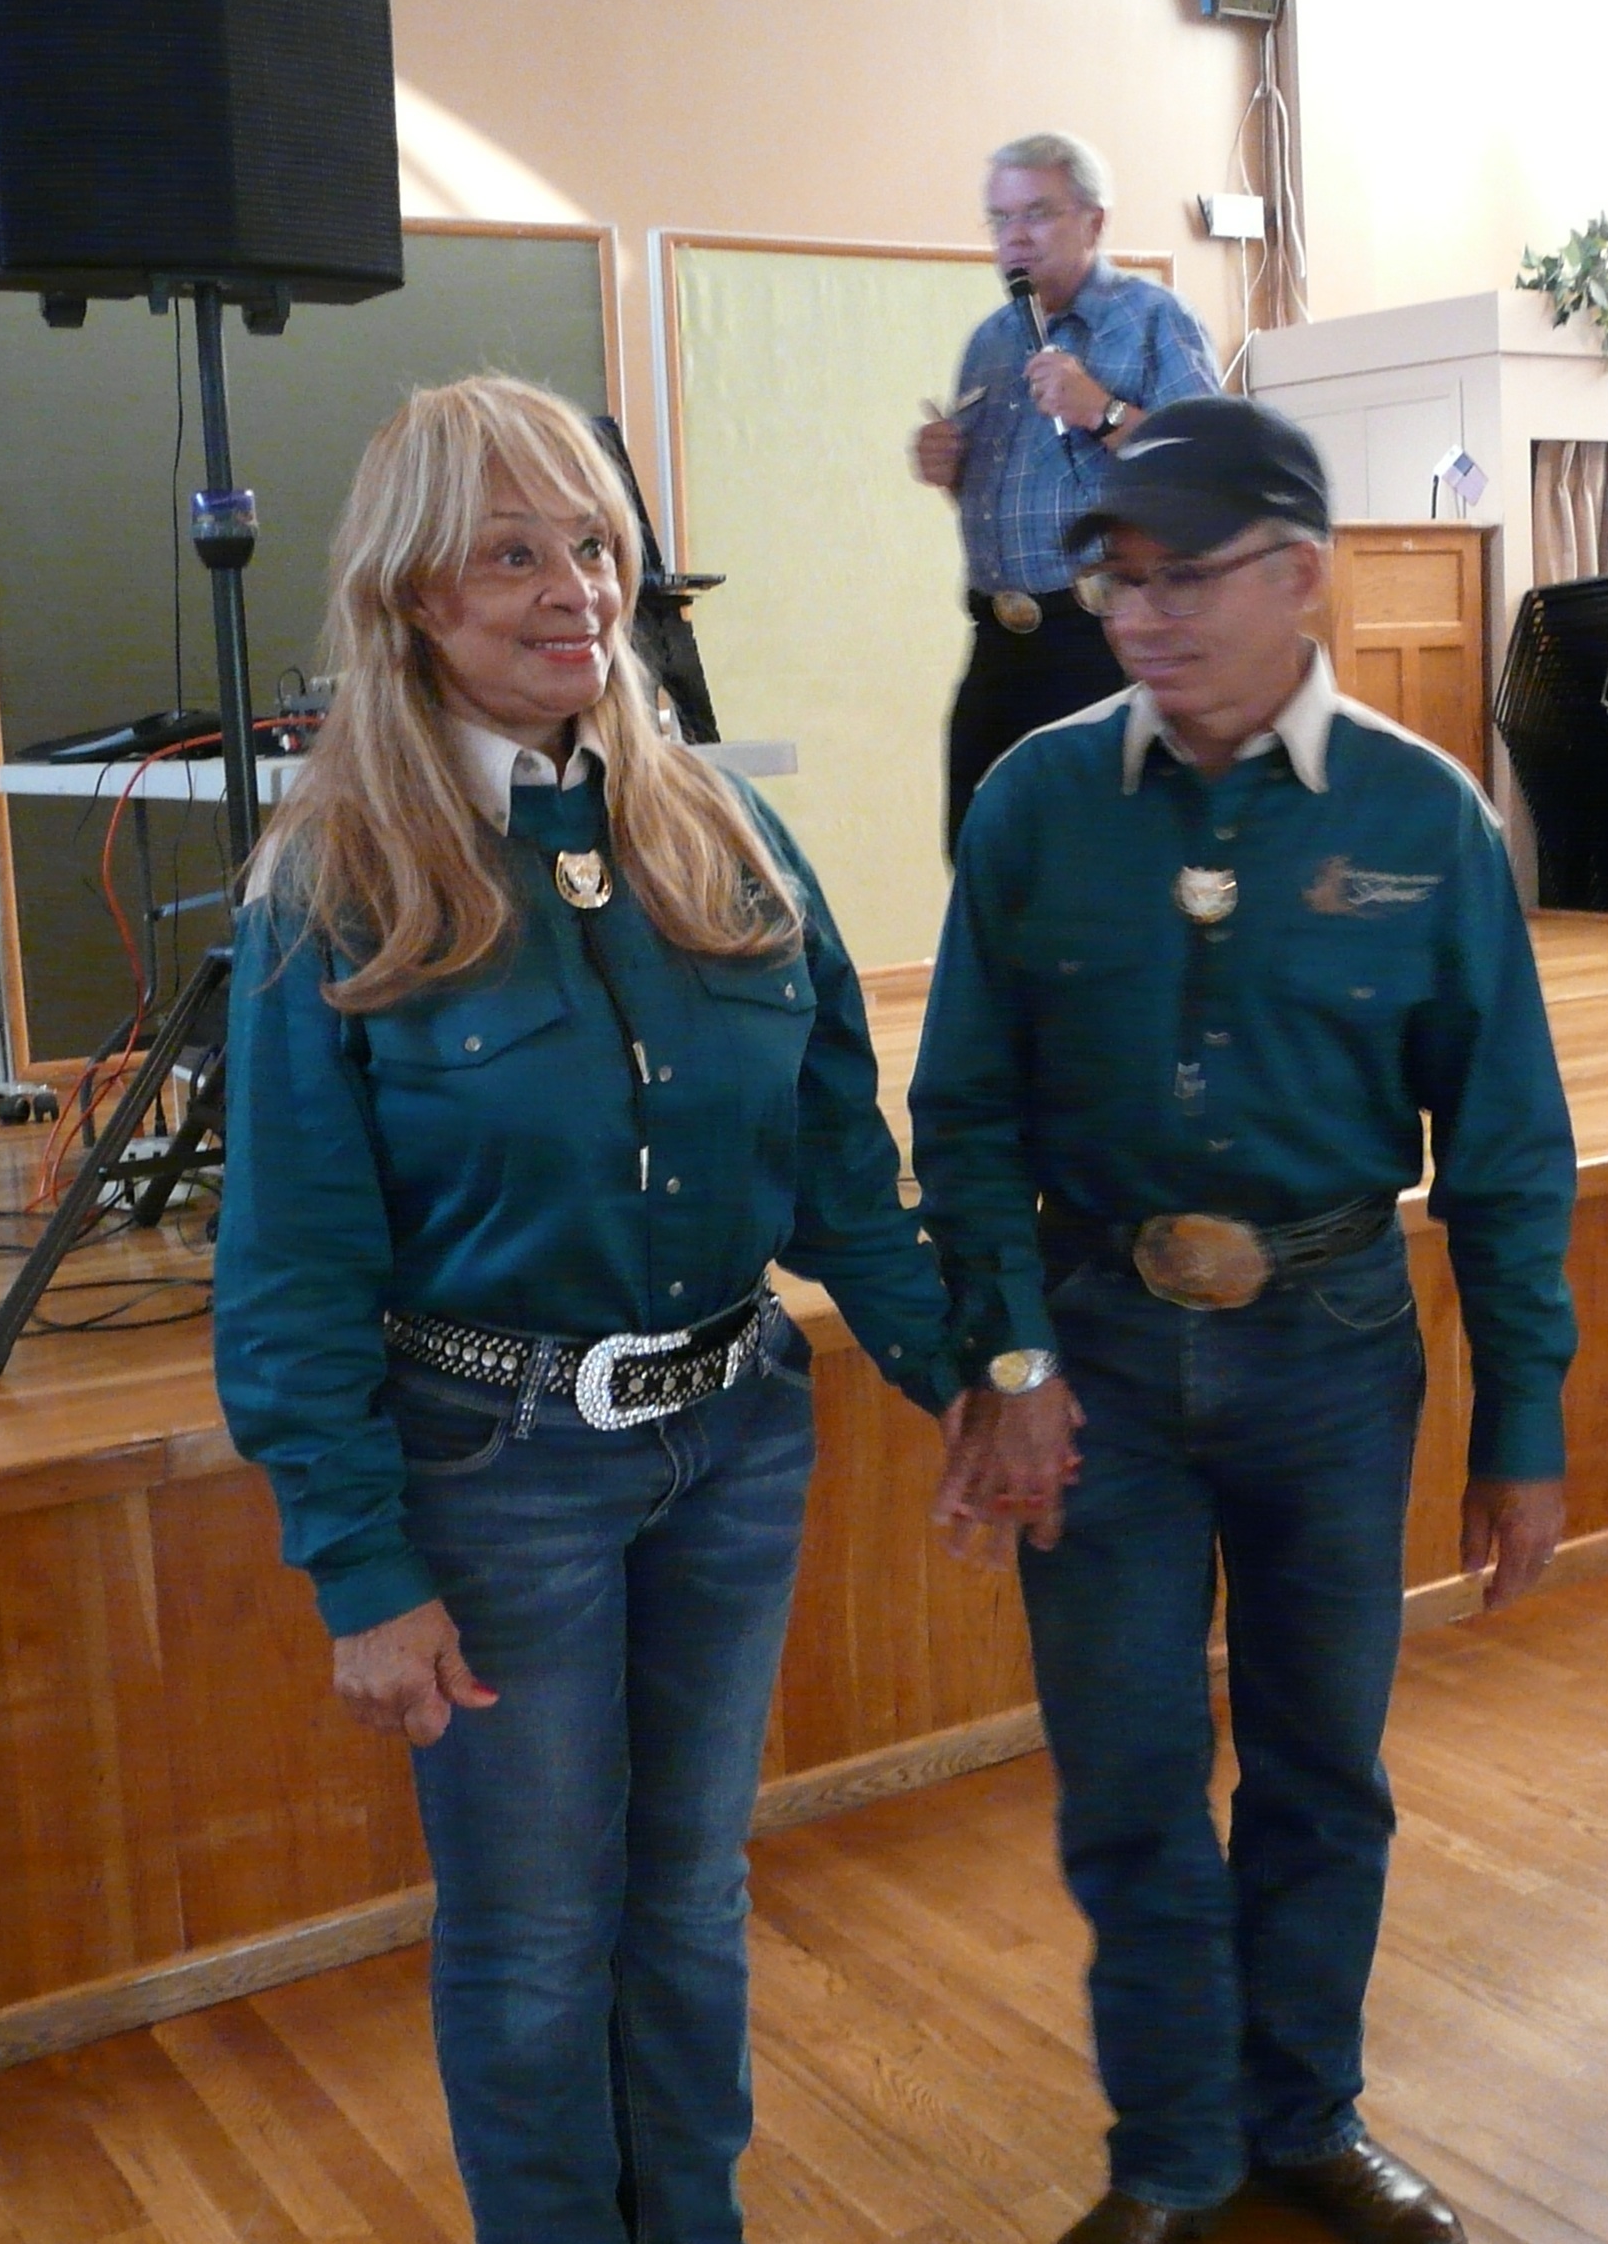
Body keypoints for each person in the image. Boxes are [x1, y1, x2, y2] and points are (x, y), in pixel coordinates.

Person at [211, 376, 964, 2244]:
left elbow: (835, 1165)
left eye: (598, 547)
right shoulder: (336, 880)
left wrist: (967, 1376)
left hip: (733, 1441)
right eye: (513, 554)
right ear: (414, 595)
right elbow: (291, 1269)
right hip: (495, 1472)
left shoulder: (722, 830)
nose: (577, 591)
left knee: (690, 1898)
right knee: (536, 1933)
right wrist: (358, 1564)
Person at [910, 395, 1579, 2244]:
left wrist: (1522, 1426)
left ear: (1299, 574)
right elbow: (961, 1115)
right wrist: (1008, 1361)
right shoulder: (1036, 801)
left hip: (1331, 1348)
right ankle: (1172, 2154)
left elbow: (1508, 1152)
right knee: (1126, 1780)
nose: (1139, 616)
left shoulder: (1421, 815)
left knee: (1319, 1771)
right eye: (1115, 581)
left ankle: (1304, 2117)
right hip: (1094, 1353)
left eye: (1179, 577)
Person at [909, 129, 1220, 855]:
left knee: (1109, 859)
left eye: (1037, 214)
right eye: (1000, 219)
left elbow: (1210, 472)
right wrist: (948, 469)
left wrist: (1103, 412)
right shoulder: (989, 343)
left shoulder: (1152, 320)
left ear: (1094, 221)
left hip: (1106, 639)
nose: (1015, 237)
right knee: (982, 851)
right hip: (1000, 642)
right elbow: (1004, 505)